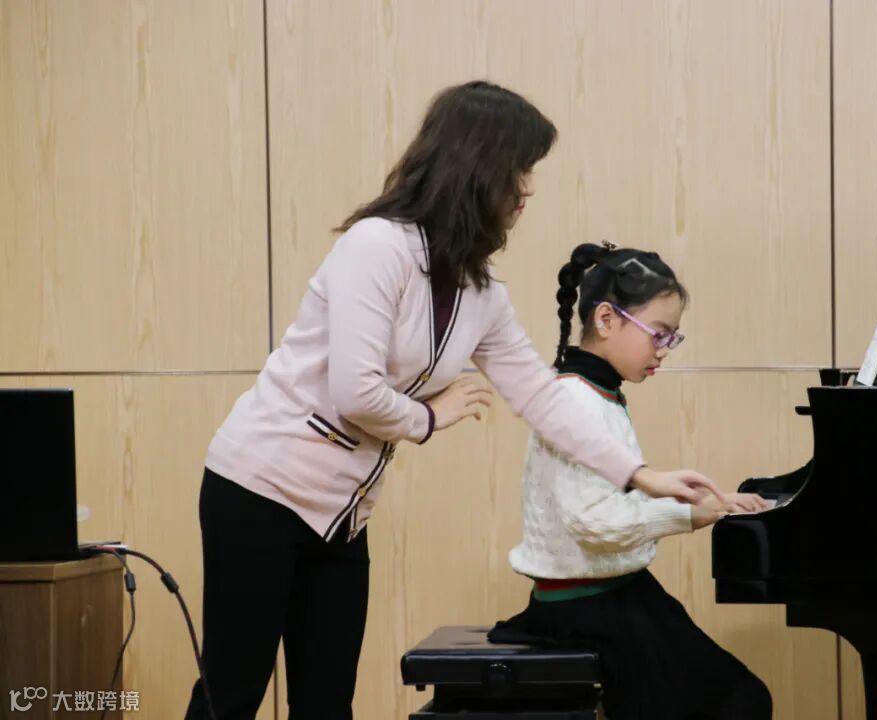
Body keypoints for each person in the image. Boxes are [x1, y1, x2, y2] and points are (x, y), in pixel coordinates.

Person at [184, 81, 725, 720]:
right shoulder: (375, 247)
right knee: (232, 694)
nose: (526, 190)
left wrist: (642, 476)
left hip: (341, 513)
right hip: (260, 487)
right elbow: (355, 392)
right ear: (478, 166)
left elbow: (541, 398)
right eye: (520, 169)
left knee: (326, 703)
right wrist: (429, 417)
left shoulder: (480, 291)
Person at [489, 242, 773, 719]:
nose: (663, 350)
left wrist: (709, 503)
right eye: (658, 334)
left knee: (738, 697)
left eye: (671, 338)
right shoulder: (578, 400)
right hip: (584, 611)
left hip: (611, 595)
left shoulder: (597, 393)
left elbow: (611, 502)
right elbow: (593, 526)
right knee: (739, 701)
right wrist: (686, 516)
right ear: (606, 320)